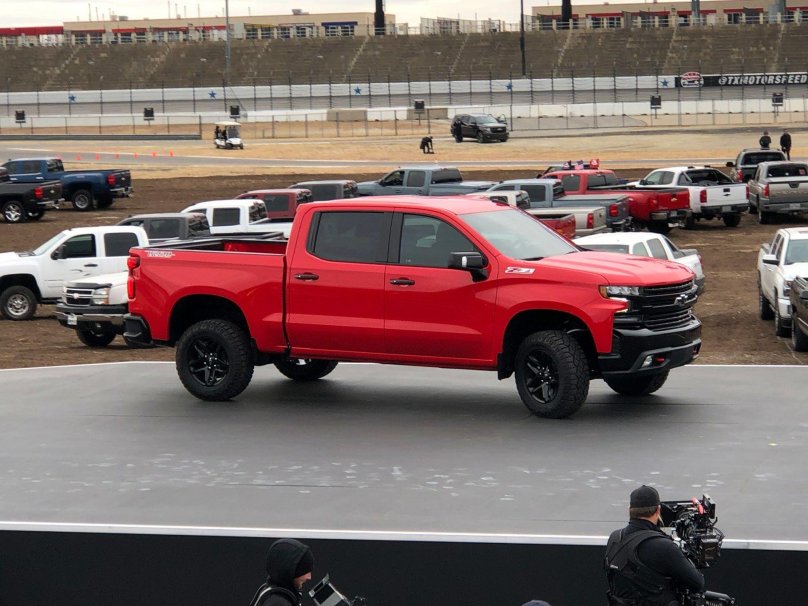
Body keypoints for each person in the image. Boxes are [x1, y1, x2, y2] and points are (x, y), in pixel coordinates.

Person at [605, 485, 704, 606]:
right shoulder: (663, 547)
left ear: (629, 509)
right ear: (658, 510)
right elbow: (697, 583)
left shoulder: (614, 538)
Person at [250, 538, 315, 606]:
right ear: (290, 571)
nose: (309, 577)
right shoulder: (278, 603)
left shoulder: (273, 593)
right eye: (304, 571)